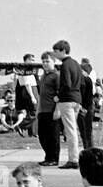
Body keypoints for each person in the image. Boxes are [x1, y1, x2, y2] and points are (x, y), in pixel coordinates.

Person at [51, 40, 82, 169]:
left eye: (56, 51)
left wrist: (59, 96)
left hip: (67, 100)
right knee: (73, 129)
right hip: (76, 99)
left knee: (70, 131)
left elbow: (66, 84)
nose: (54, 54)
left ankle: (73, 159)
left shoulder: (65, 65)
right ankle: (74, 158)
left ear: (63, 51)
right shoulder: (75, 63)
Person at [36, 52, 60, 166]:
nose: (45, 64)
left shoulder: (57, 76)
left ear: (54, 62)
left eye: (48, 61)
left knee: (53, 136)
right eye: (43, 61)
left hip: (52, 110)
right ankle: (48, 156)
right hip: (42, 110)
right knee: (42, 135)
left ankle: (54, 158)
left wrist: (57, 110)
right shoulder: (43, 76)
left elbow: (60, 94)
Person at [14, 55, 39, 136]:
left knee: (30, 113)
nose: (33, 62)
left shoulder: (26, 69)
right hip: (30, 90)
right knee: (34, 112)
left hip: (29, 90)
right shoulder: (25, 69)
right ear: (26, 60)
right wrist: (32, 96)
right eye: (31, 60)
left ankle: (32, 132)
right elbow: (27, 84)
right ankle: (20, 126)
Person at [78, 60, 95, 150]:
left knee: (87, 131)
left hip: (86, 107)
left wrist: (84, 108)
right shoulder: (80, 80)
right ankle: (86, 148)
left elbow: (89, 96)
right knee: (83, 131)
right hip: (81, 107)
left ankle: (90, 149)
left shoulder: (87, 80)